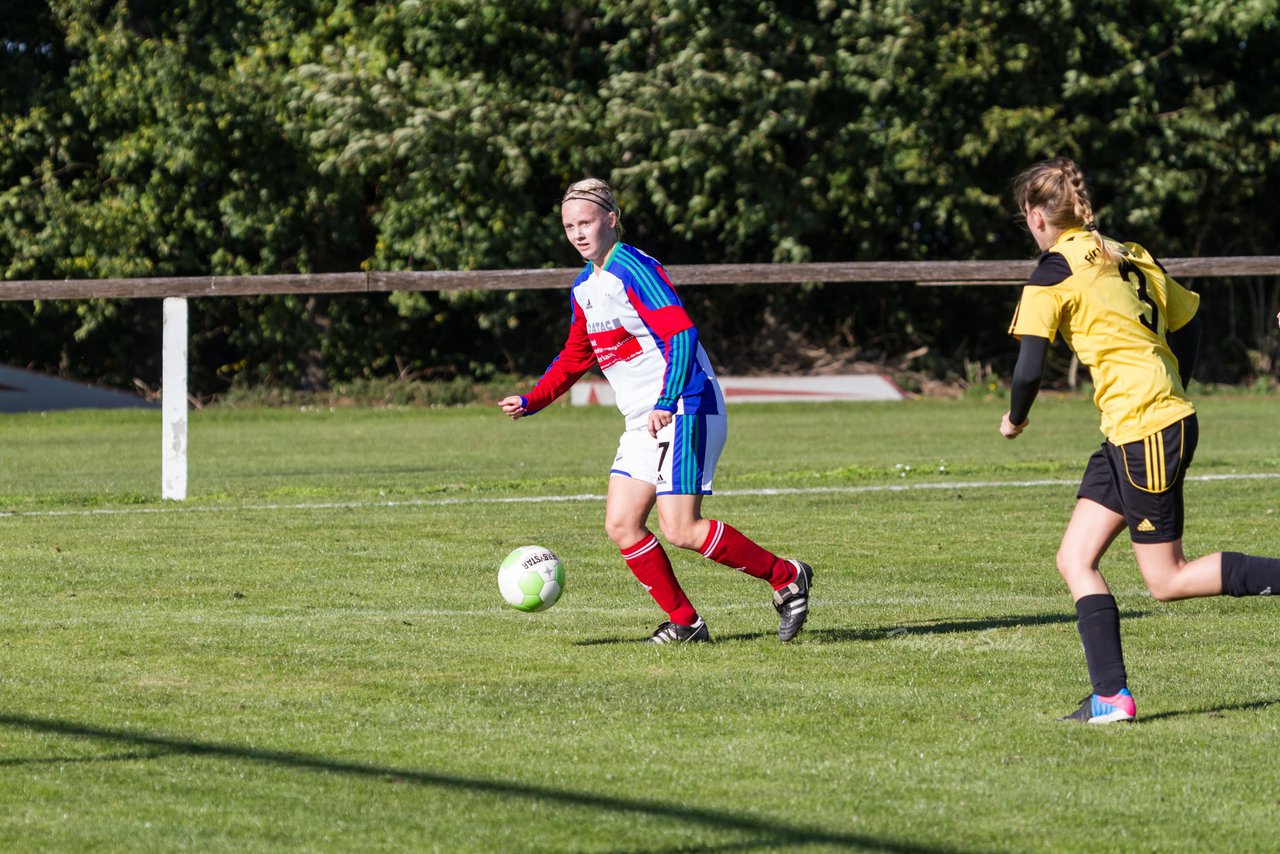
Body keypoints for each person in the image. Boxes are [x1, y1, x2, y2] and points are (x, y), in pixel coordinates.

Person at [1000, 157, 1280, 723]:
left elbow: (1029, 369)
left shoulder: (1052, 272)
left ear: (1035, 216)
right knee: (1075, 557)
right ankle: (1111, 697)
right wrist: (1176, 386)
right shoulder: (1126, 251)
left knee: (1167, 579)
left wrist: (1015, 418)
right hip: (1136, 428)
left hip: (1144, 429)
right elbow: (1191, 323)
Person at [499, 178, 812, 644]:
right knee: (622, 524)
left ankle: (787, 576)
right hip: (643, 419)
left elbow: (682, 335)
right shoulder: (586, 286)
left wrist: (666, 400)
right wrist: (532, 400)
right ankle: (686, 624)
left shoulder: (634, 268)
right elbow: (575, 356)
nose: (578, 233)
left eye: (585, 222)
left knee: (680, 526)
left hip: (685, 404)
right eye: (569, 226)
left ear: (611, 219)